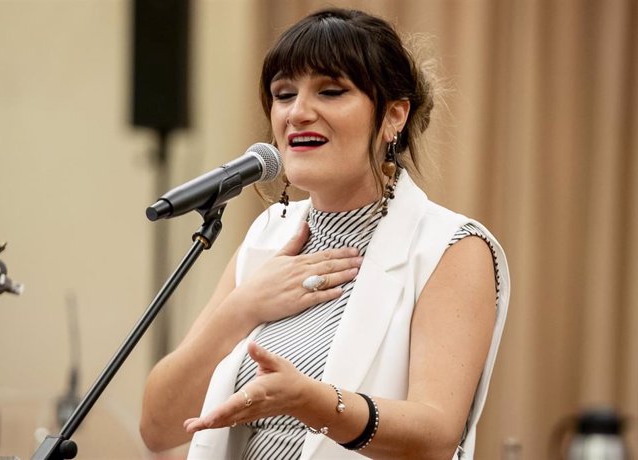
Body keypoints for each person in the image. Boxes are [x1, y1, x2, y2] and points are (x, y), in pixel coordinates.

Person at [140, 7, 509, 460]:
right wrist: (243, 307)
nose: (297, 112)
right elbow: (158, 427)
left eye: (331, 91)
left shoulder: (449, 247)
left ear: (394, 116)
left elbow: (436, 435)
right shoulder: (267, 236)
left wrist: (313, 402)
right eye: (283, 94)